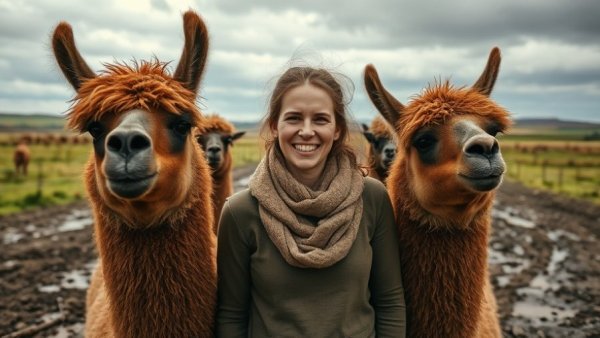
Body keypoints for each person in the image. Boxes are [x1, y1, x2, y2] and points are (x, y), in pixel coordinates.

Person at [216, 66, 406, 337]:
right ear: (274, 125)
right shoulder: (241, 212)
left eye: (320, 119)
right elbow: (232, 314)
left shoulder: (371, 199)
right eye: (293, 118)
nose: (306, 131)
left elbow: (390, 302)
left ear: (338, 129)